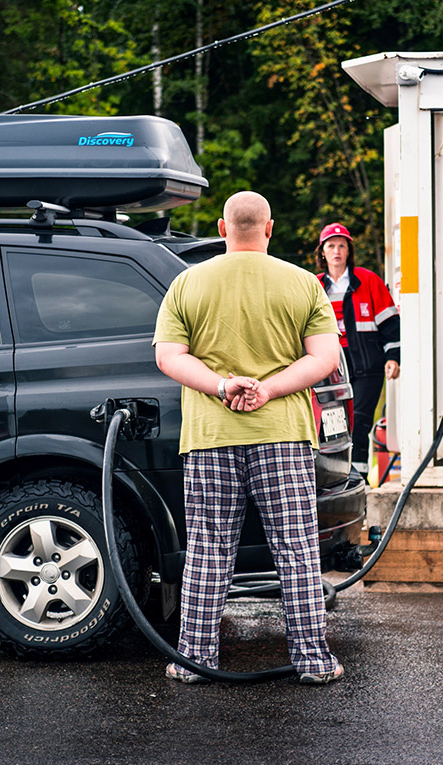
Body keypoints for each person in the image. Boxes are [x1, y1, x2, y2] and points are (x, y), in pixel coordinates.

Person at [152, 190, 345, 686]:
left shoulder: (186, 283)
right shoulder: (303, 283)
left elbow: (169, 357)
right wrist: (269, 389)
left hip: (210, 436)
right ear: (270, 228)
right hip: (282, 435)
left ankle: (194, 660)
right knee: (297, 550)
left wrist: (222, 386)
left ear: (221, 228)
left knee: (209, 550)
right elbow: (323, 359)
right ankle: (313, 661)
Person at [314, 222, 400, 474]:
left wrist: (393, 356)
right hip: (330, 367)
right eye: (331, 246)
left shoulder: (368, 281)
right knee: (330, 422)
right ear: (322, 252)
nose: (337, 251)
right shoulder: (314, 285)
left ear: (349, 251)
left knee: (360, 420)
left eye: (342, 245)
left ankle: (359, 475)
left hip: (367, 365)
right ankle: (335, 475)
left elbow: (390, 323)